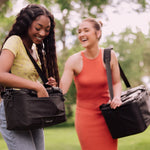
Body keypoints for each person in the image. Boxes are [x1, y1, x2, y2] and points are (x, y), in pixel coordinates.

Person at [0, 4, 59, 150]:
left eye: (47, 29)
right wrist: (36, 86)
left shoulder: (34, 51)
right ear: (26, 24)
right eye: (38, 28)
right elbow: (1, 74)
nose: (43, 33)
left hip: (31, 109)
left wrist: (45, 86)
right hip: (13, 110)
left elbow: (26, 80)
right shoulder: (15, 41)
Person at [60, 18, 122, 150]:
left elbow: (116, 82)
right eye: (79, 32)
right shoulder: (73, 60)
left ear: (97, 33)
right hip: (85, 118)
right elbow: (62, 90)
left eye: (86, 30)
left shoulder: (109, 56)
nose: (81, 34)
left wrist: (117, 97)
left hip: (108, 116)